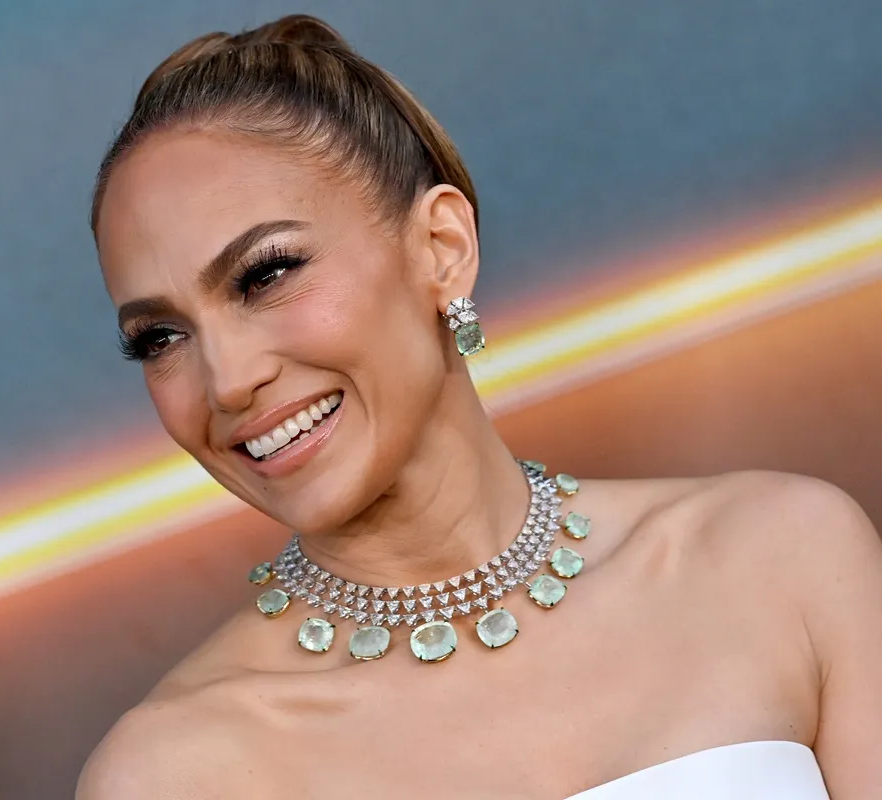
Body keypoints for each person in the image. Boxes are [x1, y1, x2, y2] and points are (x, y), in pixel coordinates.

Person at [76, 14, 881, 799]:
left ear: (442, 249)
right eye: (159, 338)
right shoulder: (170, 774)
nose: (225, 381)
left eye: (267, 274)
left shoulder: (782, 559)